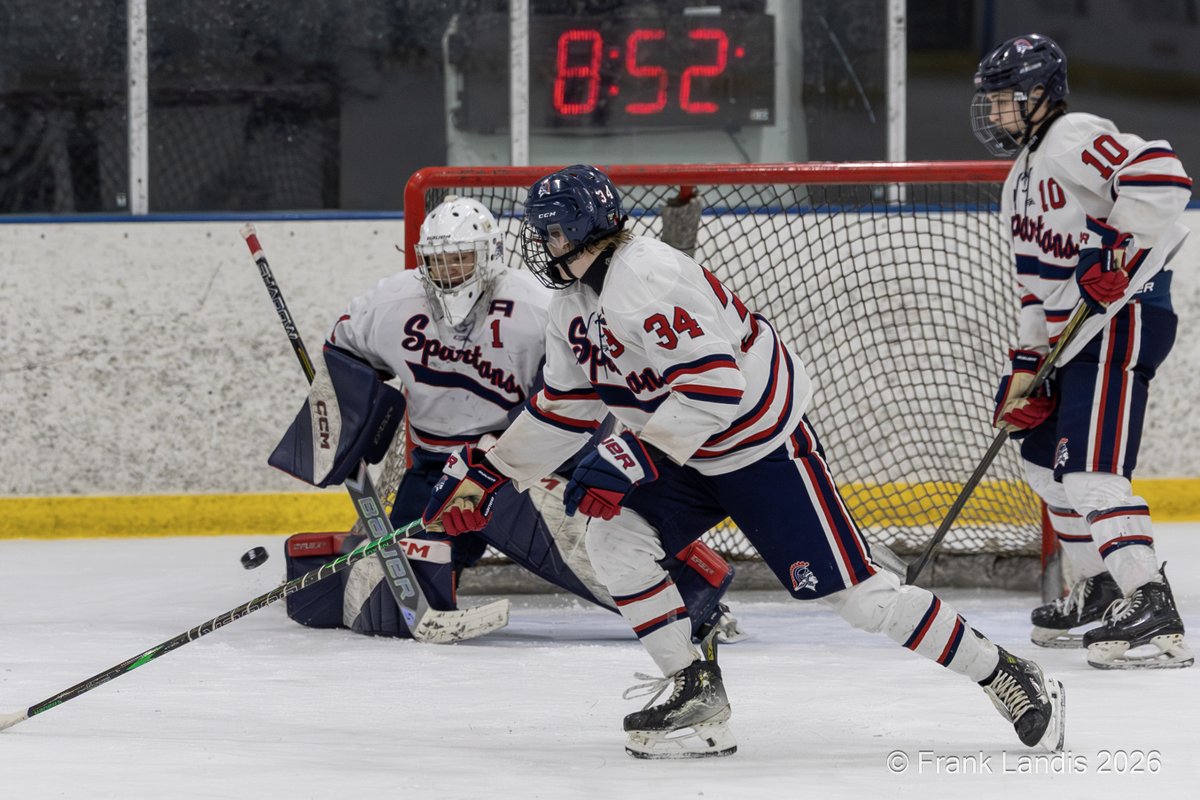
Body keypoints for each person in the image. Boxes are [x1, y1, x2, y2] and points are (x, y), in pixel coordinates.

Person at [421, 164, 1067, 758]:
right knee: (612, 536)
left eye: (553, 231)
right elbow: (566, 407)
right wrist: (489, 473)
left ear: (586, 230)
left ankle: (1007, 673)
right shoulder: (572, 307)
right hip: (683, 451)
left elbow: (716, 389)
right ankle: (695, 695)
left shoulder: (647, 278)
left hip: (758, 449)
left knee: (863, 600)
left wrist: (629, 454)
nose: (543, 245)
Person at [268, 195, 739, 642]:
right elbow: (345, 352)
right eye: (437, 260)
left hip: (520, 463)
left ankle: (695, 599)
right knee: (411, 572)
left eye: (461, 258)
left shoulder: (535, 305)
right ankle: (447, 565)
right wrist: (342, 422)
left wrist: (519, 459)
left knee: (586, 538)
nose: (449, 272)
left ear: (490, 255)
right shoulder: (389, 303)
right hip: (435, 465)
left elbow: (573, 395)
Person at [972, 34, 1194, 669]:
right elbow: (1034, 291)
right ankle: (1098, 586)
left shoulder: (1074, 136)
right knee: (1044, 464)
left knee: (1093, 474)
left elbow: (1163, 175)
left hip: (1122, 319)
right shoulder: (1018, 179)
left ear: (1043, 95)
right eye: (990, 103)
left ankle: (1152, 607)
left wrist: (1115, 250)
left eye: (1006, 101)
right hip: (1075, 337)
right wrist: (1026, 372)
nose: (994, 115)